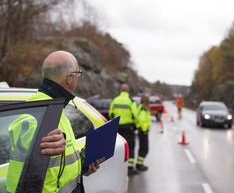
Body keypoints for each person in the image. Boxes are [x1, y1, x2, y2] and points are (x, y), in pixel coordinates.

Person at [5, 51, 100, 193]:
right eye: (78, 74)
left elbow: (59, 162)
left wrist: (82, 166)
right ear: (69, 78)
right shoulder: (39, 107)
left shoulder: (57, 106)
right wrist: (38, 141)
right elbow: (22, 128)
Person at [108, 83, 138, 175]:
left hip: (118, 128)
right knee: (131, 147)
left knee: (117, 147)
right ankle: (130, 168)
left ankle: (118, 168)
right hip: (128, 128)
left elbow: (110, 114)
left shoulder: (115, 100)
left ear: (120, 91)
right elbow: (135, 115)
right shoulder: (131, 101)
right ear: (128, 91)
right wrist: (135, 125)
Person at [136, 93, 151, 171]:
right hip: (143, 131)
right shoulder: (143, 109)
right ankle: (139, 164)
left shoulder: (141, 107)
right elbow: (142, 120)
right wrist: (144, 130)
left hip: (142, 130)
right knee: (144, 148)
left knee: (143, 148)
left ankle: (140, 164)